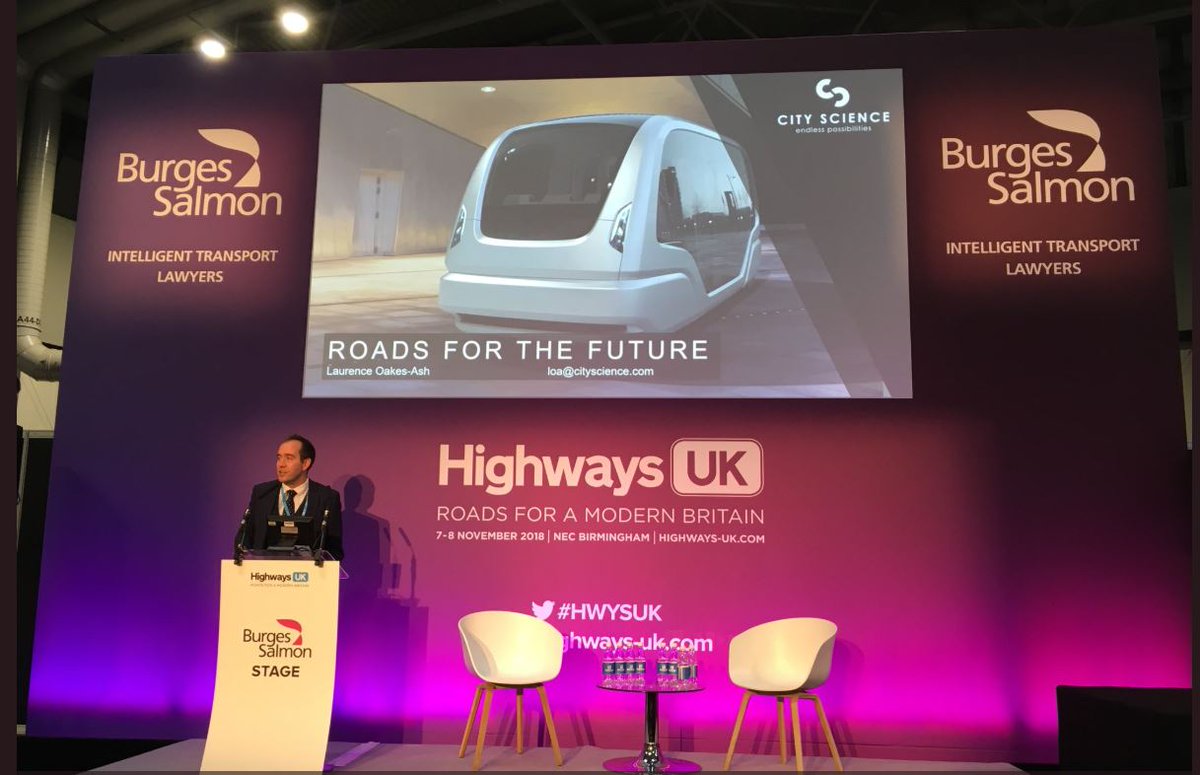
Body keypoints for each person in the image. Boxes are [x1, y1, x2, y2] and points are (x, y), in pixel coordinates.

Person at [238, 434, 344, 560]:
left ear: (305, 463)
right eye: (279, 458)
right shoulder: (261, 494)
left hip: (307, 571)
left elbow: (334, 551)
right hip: (265, 570)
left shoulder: (327, 498)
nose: (281, 464)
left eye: (289, 458)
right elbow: (244, 541)